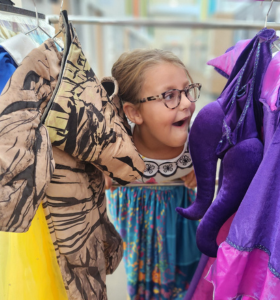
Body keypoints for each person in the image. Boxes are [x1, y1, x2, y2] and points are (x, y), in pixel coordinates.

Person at [106, 49, 201, 300]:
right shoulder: (117, 149)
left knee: (187, 284)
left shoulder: (199, 143)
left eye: (187, 91)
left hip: (182, 223)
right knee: (143, 287)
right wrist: (100, 173)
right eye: (169, 96)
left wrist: (203, 169)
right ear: (135, 113)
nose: (186, 104)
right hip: (137, 225)